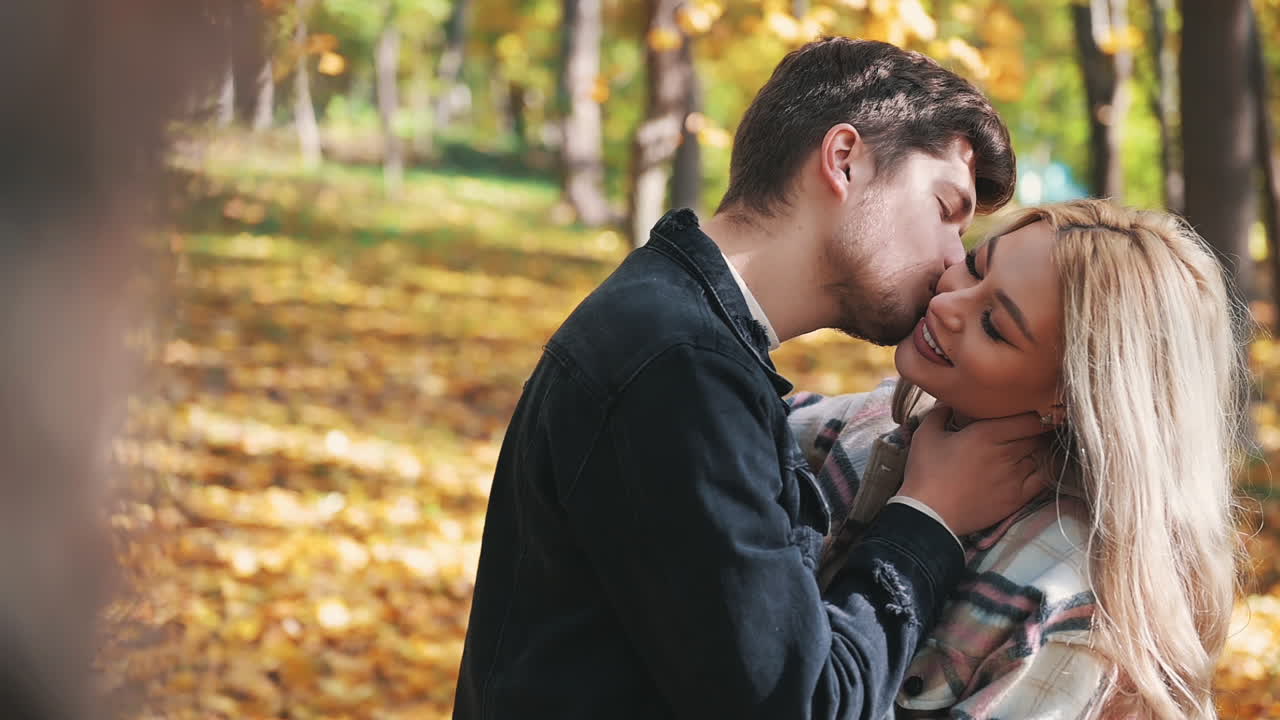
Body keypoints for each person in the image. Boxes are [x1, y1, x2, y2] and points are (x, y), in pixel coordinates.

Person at [455, 37, 1053, 719]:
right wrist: (929, 519)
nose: (952, 260)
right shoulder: (680, 373)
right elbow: (799, 705)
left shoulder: (677, 334)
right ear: (845, 160)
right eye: (946, 210)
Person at [789, 199, 1248, 719]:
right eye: (975, 266)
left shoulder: (1070, 596)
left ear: (1074, 395)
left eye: (994, 326)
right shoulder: (862, 424)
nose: (947, 305)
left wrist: (924, 517)